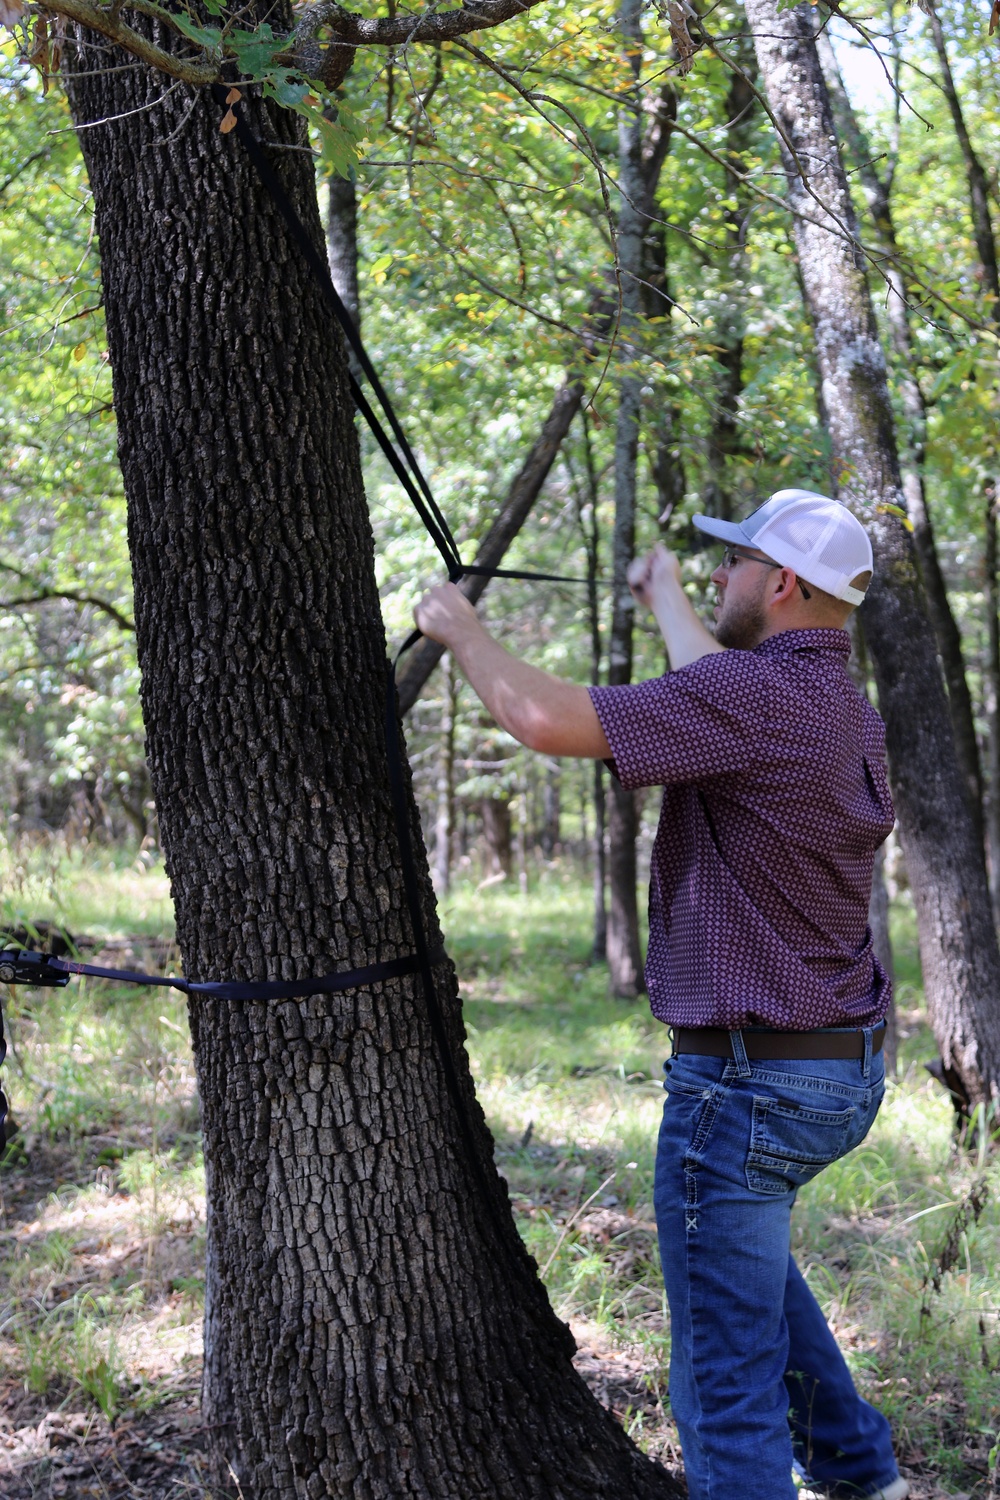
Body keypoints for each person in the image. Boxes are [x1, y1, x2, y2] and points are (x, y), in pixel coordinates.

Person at [414, 488, 906, 1500]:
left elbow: (545, 719)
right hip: (836, 1076)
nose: (714, 575)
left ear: (779, 583)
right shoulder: (836, 709)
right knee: (754, 1284)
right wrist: (668, 602)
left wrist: (462, 632)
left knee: (725, 1383)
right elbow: (725, 688)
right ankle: (862, 1478)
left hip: (743, 1091)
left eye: (731, 564)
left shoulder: (752, 703)